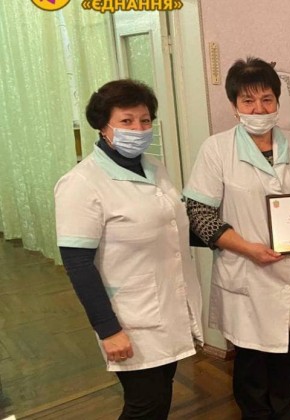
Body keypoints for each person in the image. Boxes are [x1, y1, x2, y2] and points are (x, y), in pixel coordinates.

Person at [183, 57, 290, 420]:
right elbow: (199, 213)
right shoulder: (217, 149)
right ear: (234, 106)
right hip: (247, 271)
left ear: (278, 102)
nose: (259, 109)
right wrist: (249, 249)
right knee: (251, 361)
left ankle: (284, 411)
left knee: (288, 354)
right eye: (248, 101)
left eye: (267, 99)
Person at [55, 79, 203, 419]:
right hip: (130, 317)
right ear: (102, 125)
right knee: (145, 404)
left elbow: (171, 225)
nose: (139, 129)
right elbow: (77, 264)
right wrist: (108, 329)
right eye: (127, 120)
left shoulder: (155, 167)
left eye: (145, 120)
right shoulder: (81, 183)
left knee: (159, 395)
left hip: (167, 307)